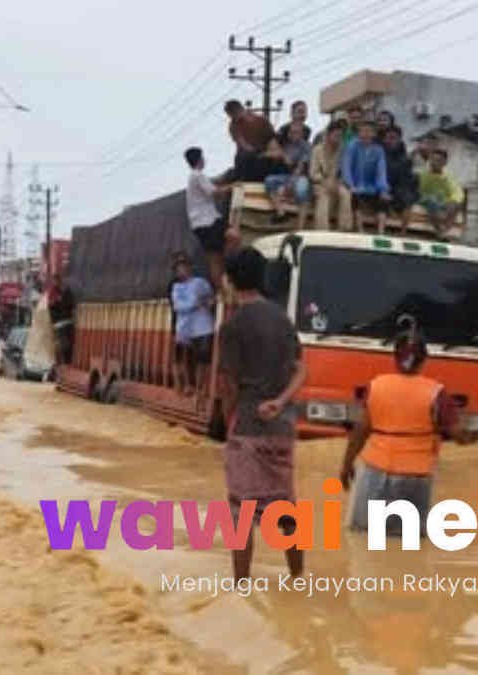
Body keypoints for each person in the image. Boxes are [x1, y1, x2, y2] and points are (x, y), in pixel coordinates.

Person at [216, 249, 307, 581]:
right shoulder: (283, 320)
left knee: (241, 510)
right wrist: (280, 402)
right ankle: (297, 578)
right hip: (282, 428)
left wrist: (227, 422)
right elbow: (301, 370)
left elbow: (228, 385)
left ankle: (241, 586)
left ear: (230, 281)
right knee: (284, 504)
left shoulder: (233, 326)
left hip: (248, 425)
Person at [339, 321, 472, 536]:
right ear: (424, 360)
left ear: (395, 358)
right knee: (409, 542)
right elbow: (457, 434)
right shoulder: (436, 393)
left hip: (375, 472)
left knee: (363, 537)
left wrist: (346, 465)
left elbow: (360, 431)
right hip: (415, 477)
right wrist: (469, 436)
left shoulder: (377, 386)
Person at [184, 147, 234, 286]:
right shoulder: (197, 175)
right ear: (200, 159)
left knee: (214, 257)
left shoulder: (194, 177)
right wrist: (232, 187)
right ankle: (226, 281)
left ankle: (222, 287)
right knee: (227, 243)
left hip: (201, 223)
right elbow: (215, 192)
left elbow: (211, 186)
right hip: (207, 221)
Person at [170, 253, 216, 399]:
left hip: (203, 327)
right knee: (186, 360)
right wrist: (195, 303)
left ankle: (201, 388)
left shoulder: (201, 283)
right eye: (178, 268)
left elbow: (211, 299)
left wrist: (202, 303)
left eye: (183, 267)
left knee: (203, 360)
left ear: (189, 267)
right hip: (185, 329)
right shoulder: (176, 287)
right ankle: (187, 386)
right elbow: (178, 306)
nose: (181, 270)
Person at [341, 120, 390, 232]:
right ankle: (360, 230)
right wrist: (351, 185)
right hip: (354, 184)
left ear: (374, 134)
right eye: (363, 131)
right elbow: (346, 167)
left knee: (383, 199)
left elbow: (381, 171)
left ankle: (381, 232)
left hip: (371, 186)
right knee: (355, 197)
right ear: (359, 133)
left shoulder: (378, 150)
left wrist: (383, 189)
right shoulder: (352, 146)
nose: (366, 134)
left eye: (369, 131)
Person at [263, 122, 313, 229]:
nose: (293, 135)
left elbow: (301, 166)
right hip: (288, 175)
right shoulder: (286, 145)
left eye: (297, 132)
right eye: (291, 132)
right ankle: (281, 213)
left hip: (302, 177)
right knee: (269, 180)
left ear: (301, 134)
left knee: (301, 189)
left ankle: (300, 227)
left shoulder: (306, 146)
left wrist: (291, 182)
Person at [310, 120, 354, 230]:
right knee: (323, 195)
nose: (338, 138)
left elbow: (344, 171)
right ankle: (322, 229)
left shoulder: (343, 150)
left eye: (340, 136)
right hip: (320, 183)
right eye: (336, 135)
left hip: (337, 182)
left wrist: (337, 181)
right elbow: (313, 173)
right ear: (329, 135)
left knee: (345, 194)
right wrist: (325, 181)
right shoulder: (317, 150)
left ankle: (345, 228)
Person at [417, 149, 465, 239]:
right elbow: (420, 190)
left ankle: (446, 229)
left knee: (456, 204)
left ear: (444, 163)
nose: (434, 163)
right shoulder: (425, 174)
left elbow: (457, 192)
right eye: (432, 160)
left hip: (443, 202)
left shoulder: (448, 176)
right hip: (428, 200)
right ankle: (439, 230)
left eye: (438, 160)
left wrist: (453, 201)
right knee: (432, 201)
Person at [225, 99, 277, 182]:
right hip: (247, 157)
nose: (233, 118)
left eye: (233, 114)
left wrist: (269, 152)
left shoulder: (261, 120)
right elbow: (243, 144)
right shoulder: (234, 125)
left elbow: (272, 139)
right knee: (243, 157)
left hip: (264, 155)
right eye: (230, 116)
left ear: (240, 110)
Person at [381, 126, 420, 235]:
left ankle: (403, 231)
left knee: (407, 198)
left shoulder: (404, 155)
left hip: (400, 186)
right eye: (388, 138)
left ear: (399, 139)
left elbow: (407, 176)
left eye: (393, 138)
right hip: (383, 184)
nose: (390, 141)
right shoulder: (380, 152)